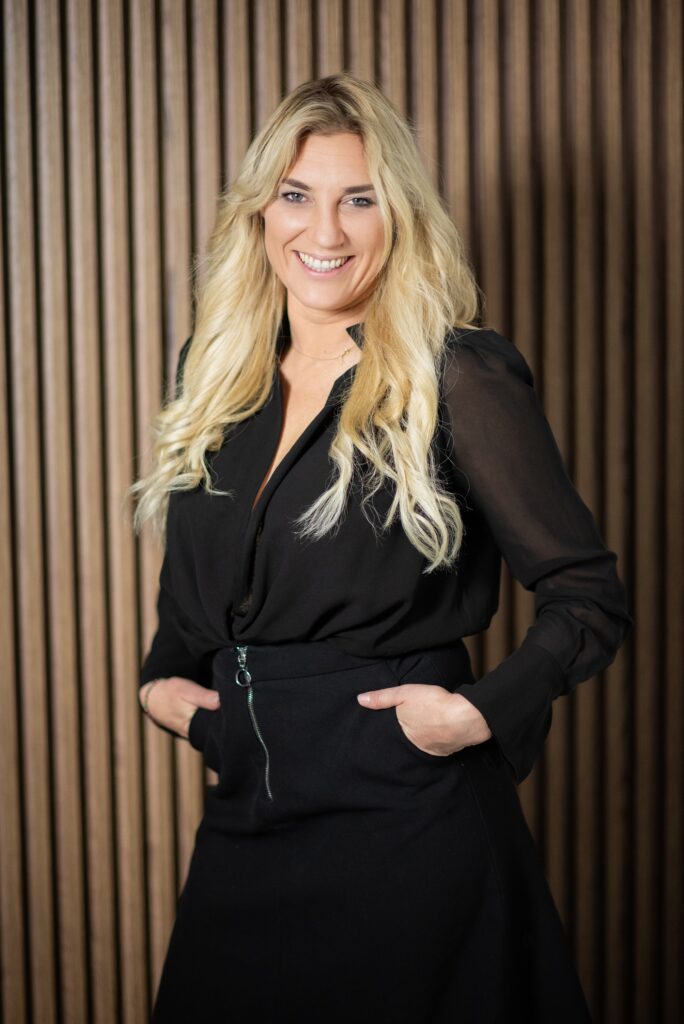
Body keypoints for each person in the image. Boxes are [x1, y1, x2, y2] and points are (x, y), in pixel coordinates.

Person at [130, 72, 632, 1023]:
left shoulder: (456, 373)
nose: (324, 231)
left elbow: (587, 597)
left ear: (398, 213)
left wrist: (475, 715)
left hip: (413, 823)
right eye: (297, 195)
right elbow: (198, 597)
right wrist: (167, 688)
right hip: (248, 821)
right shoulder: (216, 369)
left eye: (358, 198)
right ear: (260, 210)